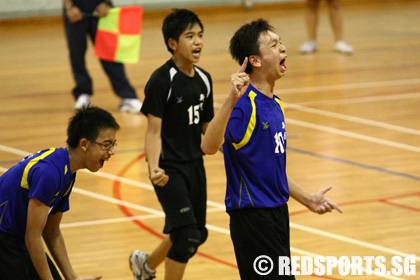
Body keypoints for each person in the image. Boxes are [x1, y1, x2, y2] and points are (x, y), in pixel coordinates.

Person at [201, 19, 343, 279]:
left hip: (277, 213)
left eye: (282, 43)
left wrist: (308, 199)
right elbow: (209, 146)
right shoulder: (245, 105)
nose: (283, 49)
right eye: (274, 45)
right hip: (253, 218)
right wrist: (230, 100)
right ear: (255, 60)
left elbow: (270, 171)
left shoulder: (275, 105)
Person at [128, 9, 214, 280]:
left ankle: (146, 265)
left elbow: (206, 127)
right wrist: (154, 167)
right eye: (190, 36)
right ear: (172, 44)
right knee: (188, 234)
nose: (197, 42)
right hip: (168, 169)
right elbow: (153, 132)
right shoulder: (161, 81)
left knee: (195, 232)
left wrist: (232, 145)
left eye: (200, 35)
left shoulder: (204, 80)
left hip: (195, 165)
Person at [0, 106, 119, 279]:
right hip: (6, 239)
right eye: (106, 145)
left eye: (113, 145)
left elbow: (52, 231)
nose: (111, 153)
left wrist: (73, 278)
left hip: (17, 238)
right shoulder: (49, 173)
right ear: (84, 144)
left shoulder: (67, 172)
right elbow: (33, 236)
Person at [63, 0, 142, 113]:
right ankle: (82, 93)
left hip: (101, 6)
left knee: (110, 54)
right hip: (75, 7)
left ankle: (128, 96)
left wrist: (106, 2)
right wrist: (69, 6)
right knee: (77, 54)